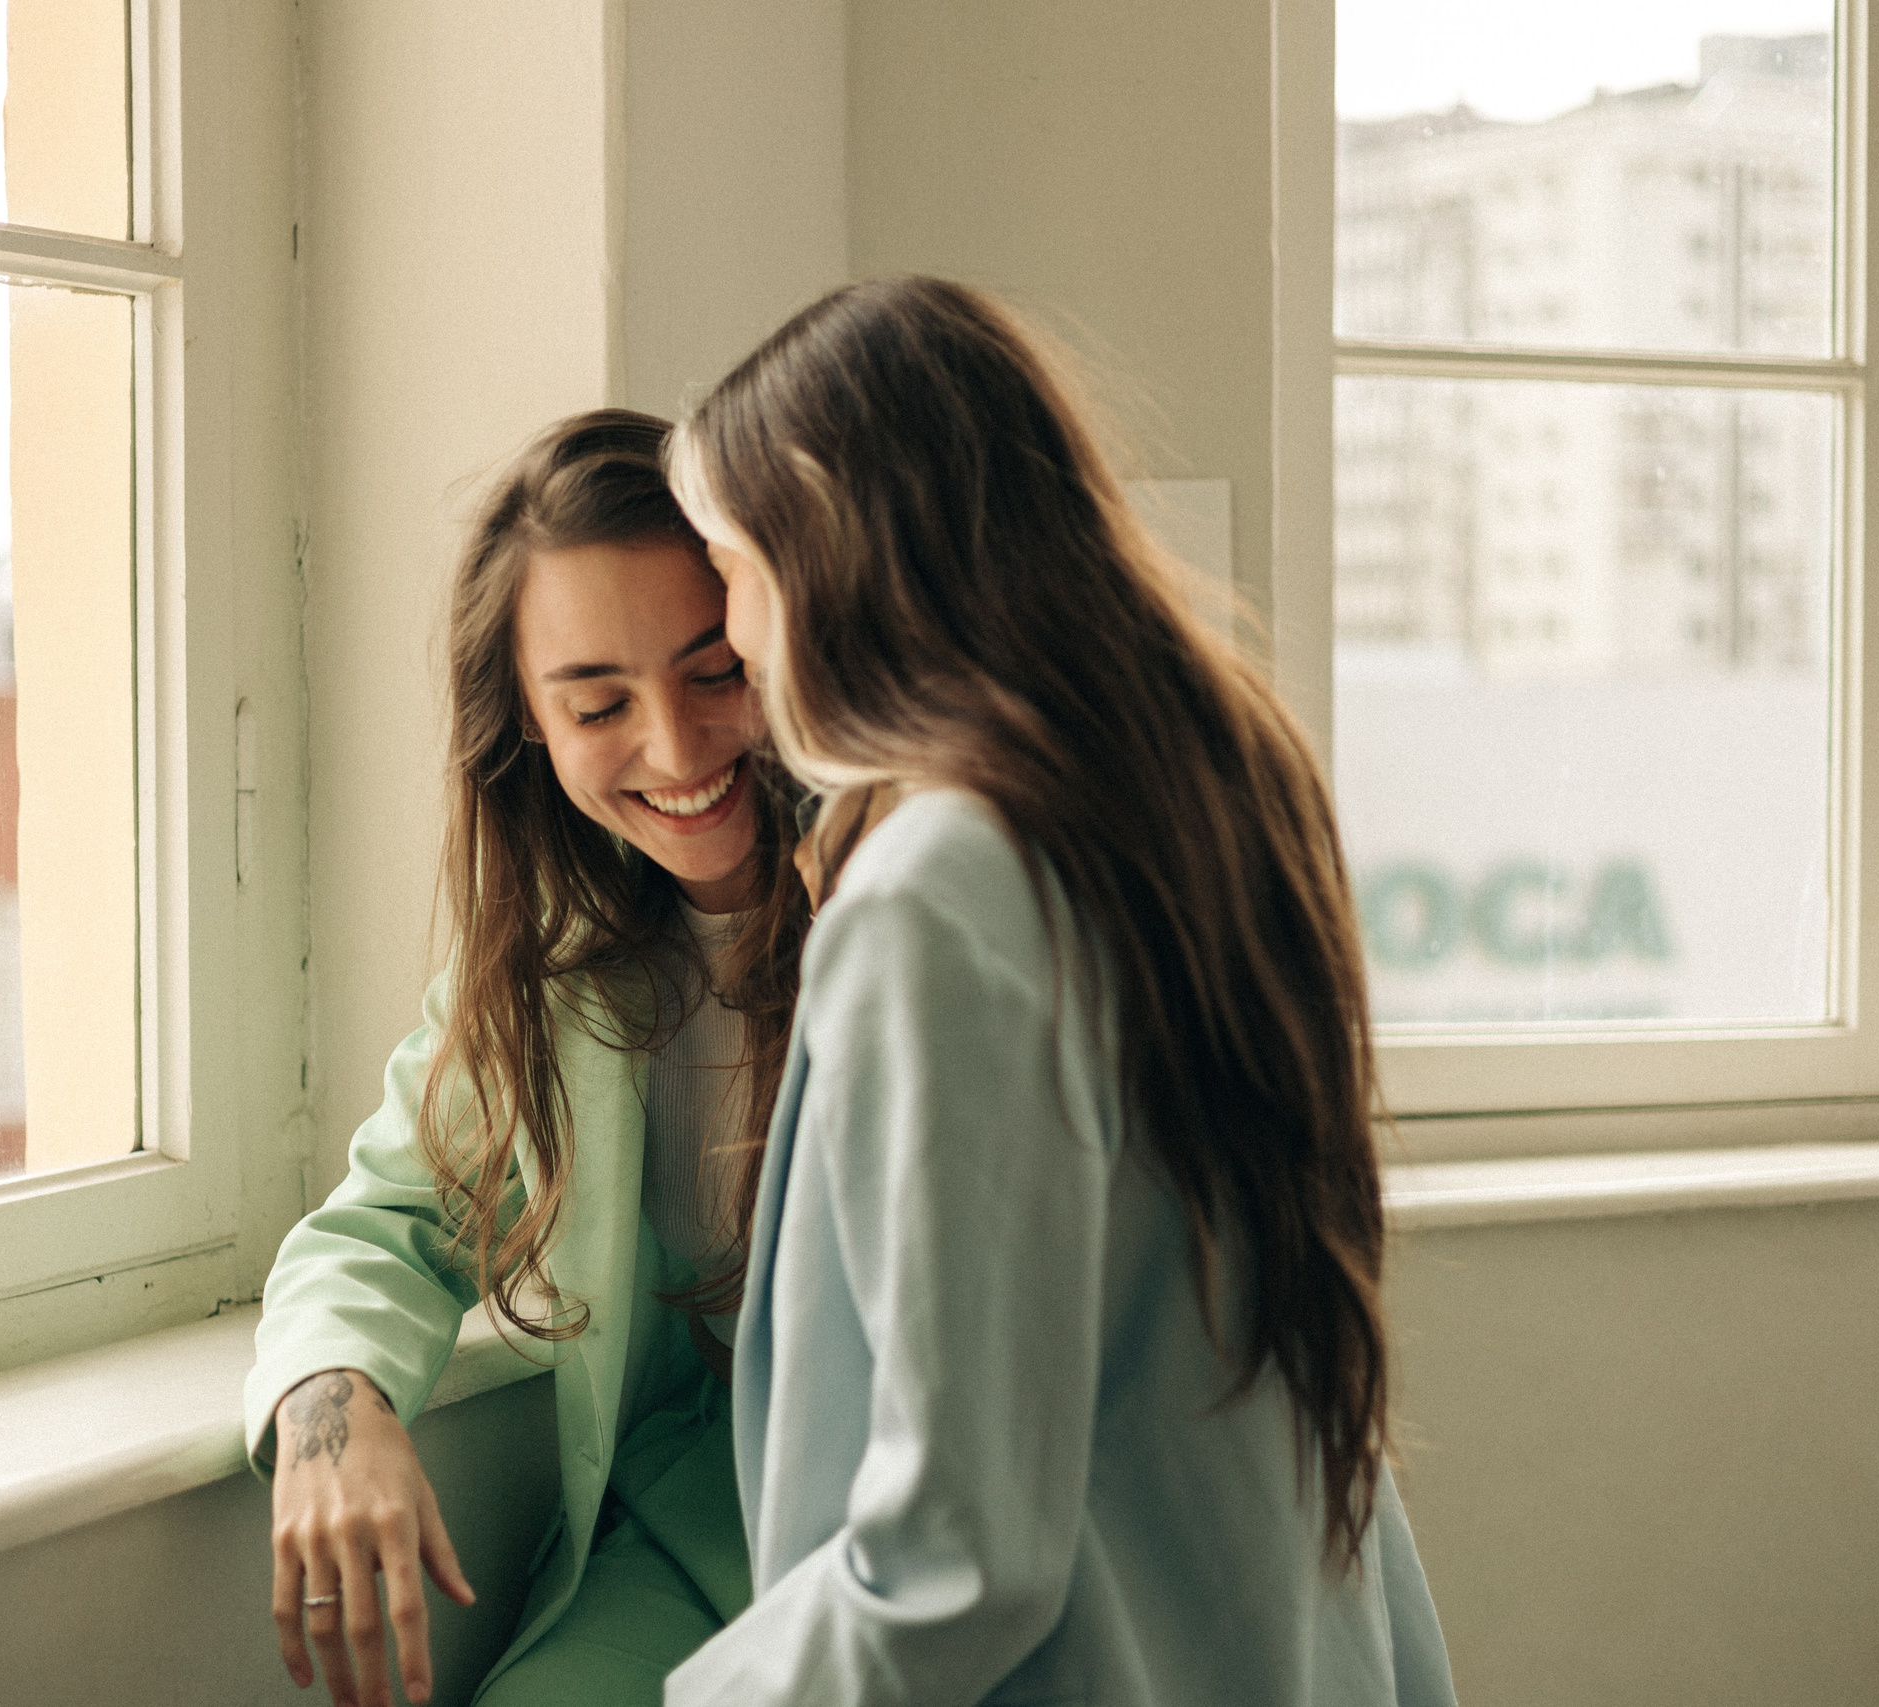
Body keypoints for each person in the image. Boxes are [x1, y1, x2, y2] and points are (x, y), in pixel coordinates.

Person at [660, 277, 1459, 1706]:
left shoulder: (937, 901)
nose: (728, 625)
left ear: (830, 544)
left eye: (730, 561)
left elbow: (958, 1556)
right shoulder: (1205, 809)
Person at [241, 409, 807, 1707]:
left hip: (941, 1528)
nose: (673, 748)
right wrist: (336, 1413)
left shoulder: (927, 920)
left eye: (716, 672)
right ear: (532, 731)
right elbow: (376, 1228)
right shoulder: (546, 980)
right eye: (600, 702)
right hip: (698, 1528)